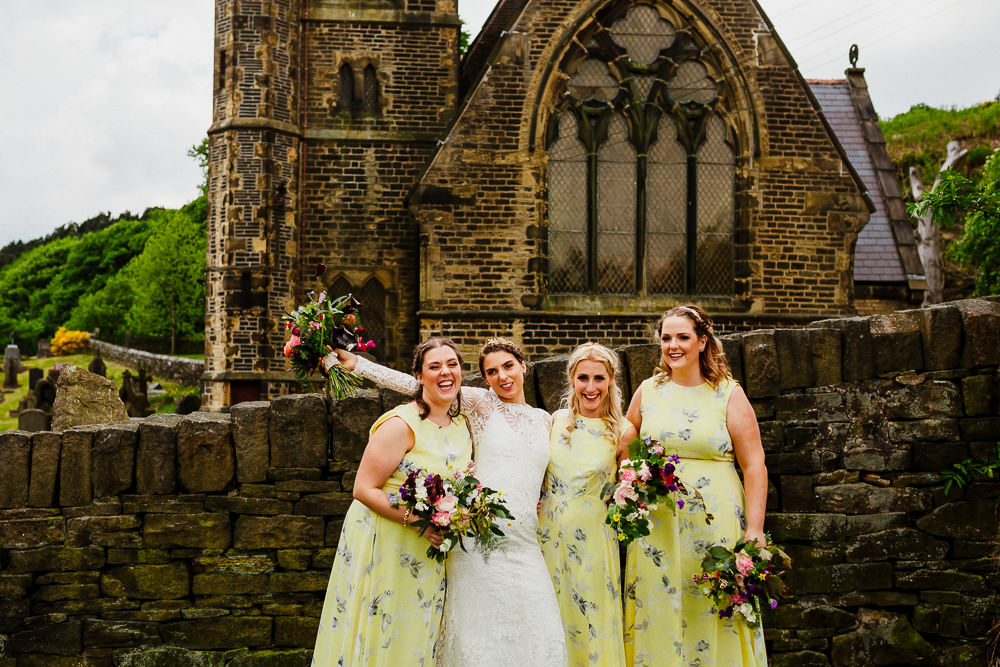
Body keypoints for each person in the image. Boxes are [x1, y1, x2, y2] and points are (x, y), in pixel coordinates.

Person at [329, 338, 568, 666]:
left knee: (538, 629)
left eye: (509, 366)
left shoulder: (546, 420)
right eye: (492, 372)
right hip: (477, 537)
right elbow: (417, 384)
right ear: (485, 379)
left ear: (524, 366)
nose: (502, 377)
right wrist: (357, 365)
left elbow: (549, 472)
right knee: (482, 637)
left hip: (526, 544)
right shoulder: (481, 404)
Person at [619, 305, 768, 666]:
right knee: (659, 604)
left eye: (682, 337)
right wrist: (632, 482)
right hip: (659, 526)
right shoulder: (648, 391)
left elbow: (754, 464)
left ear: (702, 342)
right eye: (666, 338)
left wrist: (755, 529)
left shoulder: (728, 393)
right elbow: (623, 444)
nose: (673, 345)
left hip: (715, 524)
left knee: (711, 607)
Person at [312, 339, 473, 666]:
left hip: (429, 550)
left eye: (452, 364)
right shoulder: (401, 423)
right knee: (384, 630)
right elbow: (363, 488)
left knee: (415, 635)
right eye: (434, 366)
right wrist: (420, 521)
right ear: (419, 376)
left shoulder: (462, 425)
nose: (445, 372)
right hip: (388, 542)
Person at [538, 343, 627, 666]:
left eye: (599, 379)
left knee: (590, 617)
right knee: (551, 617)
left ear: (611, 381)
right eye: (583, 378)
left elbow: (628, 492)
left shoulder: (623, 431)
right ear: (571, 379)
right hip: (546, 537)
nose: (591, 387)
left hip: (594, 540)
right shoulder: (555, 421)